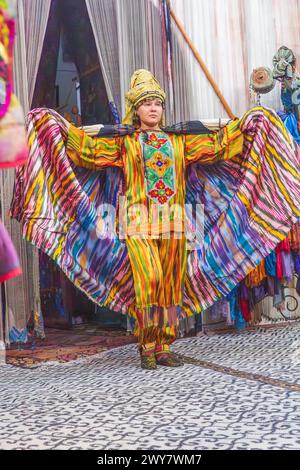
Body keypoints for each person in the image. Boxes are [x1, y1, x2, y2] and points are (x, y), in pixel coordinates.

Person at [11, 69, 300, 370]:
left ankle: (164, 345)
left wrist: (251, 122)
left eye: (157, 103)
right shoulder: (125, 143)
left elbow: (219, 146)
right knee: (149, 280)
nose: (153, 108)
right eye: (146, 103)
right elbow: (88, 151)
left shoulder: (180, 142)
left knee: (171, 285)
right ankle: (147, 344)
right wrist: (53, 124)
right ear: (136, 110)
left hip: (175, 222)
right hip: (138, 222)